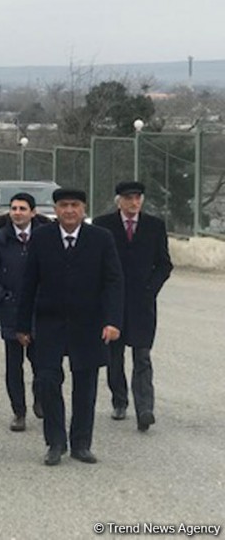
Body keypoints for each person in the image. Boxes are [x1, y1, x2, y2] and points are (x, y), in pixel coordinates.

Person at [17, 187, 124, 466]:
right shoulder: (42, 238)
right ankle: (55, 443)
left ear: (83, 209)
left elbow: (114, 282)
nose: (69, 211)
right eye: (63, 205)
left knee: (85, 385)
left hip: (89, 324)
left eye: (74, 205)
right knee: (48, 381)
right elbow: (28, 283)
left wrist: (113, 321)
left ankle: (81, 444)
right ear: (55, 210)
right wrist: (22, 325)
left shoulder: (101, 238)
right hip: (49, 322)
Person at [93, 181, 173, 432]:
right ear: (119, 200)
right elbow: (96, 263)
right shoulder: (103, 225)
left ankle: (145, 409)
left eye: (137, 197)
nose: (133, 202)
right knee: (114, 356)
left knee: (142, 356)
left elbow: (164, 264)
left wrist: (150, 289)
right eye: (128, 198)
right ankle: (119, 400)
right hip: (113, 303)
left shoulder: (154, 226)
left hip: (142, 303)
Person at [0, 192, 48, 432]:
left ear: (33, 212)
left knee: (41, 362)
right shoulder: (0, 240)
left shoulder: (45, 238)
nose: (18, 213)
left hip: (40, 310)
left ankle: (40, 399)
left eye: (23, 208)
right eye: (14, 208)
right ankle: (18, 411)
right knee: (14, 365)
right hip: (11, 309)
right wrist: (2, 295)